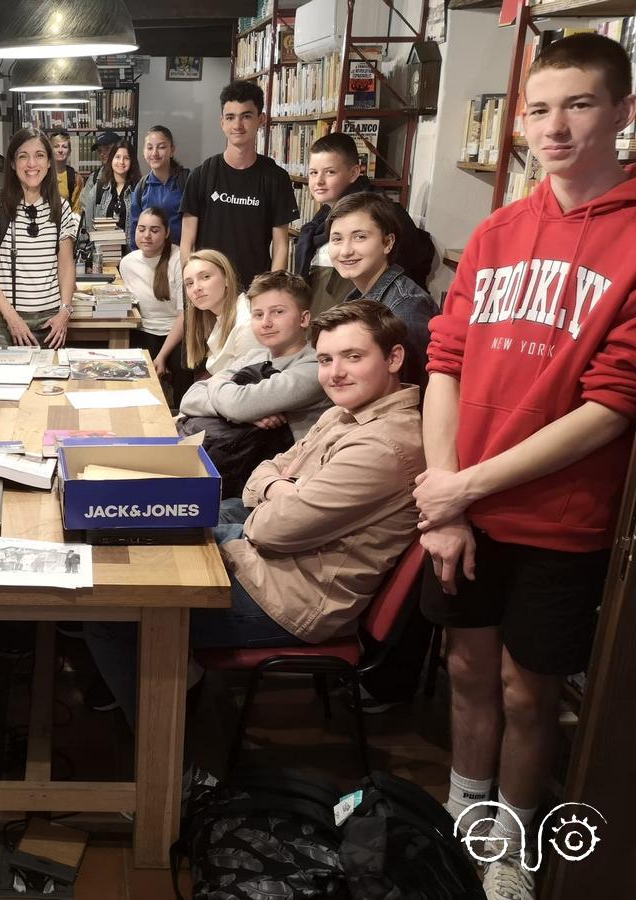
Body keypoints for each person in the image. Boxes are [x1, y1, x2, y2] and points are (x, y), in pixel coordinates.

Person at [415, 34, 636, 900]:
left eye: (579, 105)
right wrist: (445, 498)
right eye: (539, 108)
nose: (554, 126)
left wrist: (464, 486)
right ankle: (462, 814)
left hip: (559, 514)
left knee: (528, 691)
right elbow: (445, 362)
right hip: (462, 502)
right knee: (468, 672)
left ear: (622, 112)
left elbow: (616, 403)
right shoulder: (499, 229)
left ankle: (509, 845)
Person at [86, 301, 423, 726]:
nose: (335, 373)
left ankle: (172, 757)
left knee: (114, 613)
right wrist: (279, 487)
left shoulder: (383, 446)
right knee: (151, 534)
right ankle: (171, 690)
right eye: (325, 359)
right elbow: (263, 473)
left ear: (393, 358)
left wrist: (272, 492)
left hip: (293, 599)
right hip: (278, 566)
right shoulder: (345, 413)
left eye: (353, 357)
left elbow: (272, 529)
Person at [179, 269, 330, 443]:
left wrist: (220, 386)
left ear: (304, 319)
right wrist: (243, 412)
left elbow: (237, 405)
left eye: (278, 312)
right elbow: (190, 398)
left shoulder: (315, 367)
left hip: (282, 463)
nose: (266, 323)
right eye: (258, 315)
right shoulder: (254, 356)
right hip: (234, 452)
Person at [296, 132, 435, 316]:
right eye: (313, 173)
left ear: (354, 173)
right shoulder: (322, 217)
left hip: (367, 320)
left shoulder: (382, 213)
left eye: (330, 172)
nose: (319, 181)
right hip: (328, 319)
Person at [180, 80, 298, 289]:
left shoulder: (276, 178)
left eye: (246, 116)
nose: (237, 125)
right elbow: (187, 242)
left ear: (260, 120)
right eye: (230, 117)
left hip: (253, 293)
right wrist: (192, 287)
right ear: (221, 122)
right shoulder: (201, 175)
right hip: (208, 290)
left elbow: (281, 246)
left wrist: (270, 291)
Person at [0, 128, 79, 349]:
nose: (32, 164)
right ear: (12, 163)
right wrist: (12, 318)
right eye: (23, 156)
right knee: (5, 383)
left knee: (48, 384)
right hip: (4, 320)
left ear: (49, 162)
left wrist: (65, 311)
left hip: (50, 322)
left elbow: (66, 264)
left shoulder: (61, 207)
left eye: (39, 155)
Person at [326, 192, 438, 390]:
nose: (345, 251)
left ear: (387, 243)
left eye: (360, 237)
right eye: (337, 239)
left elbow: (414, 391)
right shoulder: (356, 297)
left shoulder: (407, 306)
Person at [119, 207, 191, 404]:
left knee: (183, 364)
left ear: (167, 232)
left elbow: (183, 316)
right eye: (141, 229)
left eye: (154, 230)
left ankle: (181, 417)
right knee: (130, 368)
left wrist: (161, 357)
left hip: (175, 333)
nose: (146, 236)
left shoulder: (178, 260)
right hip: (144, 330)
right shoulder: (127, 263)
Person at [182, 249, 257, 375]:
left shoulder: (246, 323)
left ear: (227, 278)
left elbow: (247, 385)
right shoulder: (219, 316)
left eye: (205, 277)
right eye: (189, 283)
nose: (196, 288)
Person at [128, 124, 189, 249]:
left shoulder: (186, 181)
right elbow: (135, 227)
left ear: (172, 150)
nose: (154, 153)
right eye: (149, 148)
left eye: (161, 147)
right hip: (150, 258)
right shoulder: (142, 187)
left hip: (179, 257)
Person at [79, 139, 140, 255]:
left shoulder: (138, 190)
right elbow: (87, 226)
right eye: (117, 157)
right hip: (102, 255)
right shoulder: (99, 189)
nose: (121, 162)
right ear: (111, 159)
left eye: (126, 158)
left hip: (129, 254)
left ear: (132, 161)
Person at [48, 128, 82, 212]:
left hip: (66, 223)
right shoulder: (41, 174)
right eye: (56, 146)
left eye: (64, 147)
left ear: (69, 151)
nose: (60, 150)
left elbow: (76, 209)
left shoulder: (75, 178)